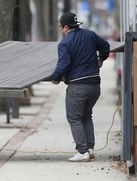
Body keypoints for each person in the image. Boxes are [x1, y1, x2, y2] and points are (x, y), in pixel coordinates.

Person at [51, 12, 110, 162]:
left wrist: (56, 78)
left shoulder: (65, 43)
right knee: (86, 116)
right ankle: (89, 149)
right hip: (95, 85)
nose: (60, 30)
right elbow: (105, 46)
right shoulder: (90, 35)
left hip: (78, 86)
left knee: (74, 117)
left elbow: (63, 63)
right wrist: (101, 59)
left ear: (65, 27)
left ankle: (82, 151)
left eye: (60, 27)